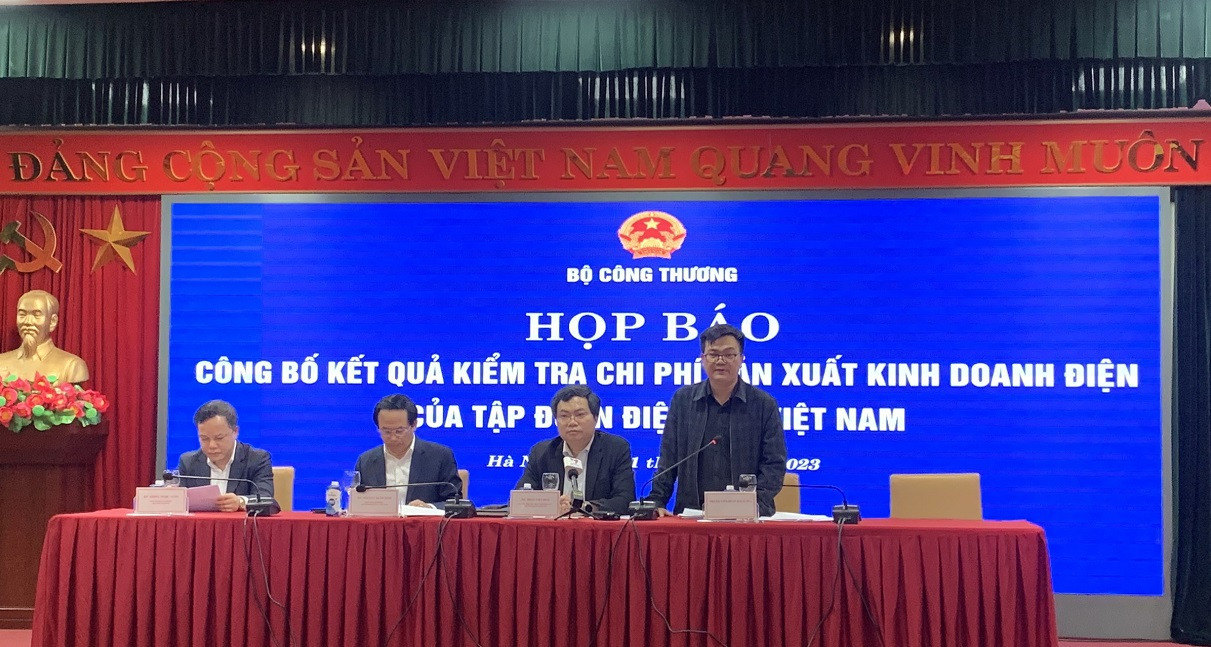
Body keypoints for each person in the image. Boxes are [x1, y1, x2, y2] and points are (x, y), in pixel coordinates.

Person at [649, 324, 786, 517]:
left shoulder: (763, 404)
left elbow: (774, 464)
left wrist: (752, 504)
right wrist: (657, 501)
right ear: (703, 359)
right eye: (713, 354)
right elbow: (668, 459)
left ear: (741, 359)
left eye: (729, 354)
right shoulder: (683, 401)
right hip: (692, 515)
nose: (720, 361)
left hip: (748, 518)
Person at [516, 385, 636, 516]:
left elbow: (625, 500)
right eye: (564, 416)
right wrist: (550, 506)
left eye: (580, 415)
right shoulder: (541, 452)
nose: (572, 422)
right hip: (554, 526)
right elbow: (519, 500)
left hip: (595, 527)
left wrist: (583, 507)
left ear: (596, 418)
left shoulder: (615, 449)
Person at [354, 394, 462, 507]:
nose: (393, 437)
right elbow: (357, 503)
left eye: (399, 431)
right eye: (386, 431)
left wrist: (429, 508)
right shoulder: (365, 462)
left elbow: (455, 503)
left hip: (424, 518)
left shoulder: (440, 456)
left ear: (414, 425)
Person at [177, 399, 277, 513]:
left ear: (235, 432)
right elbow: (177, 500)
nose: (212, 445)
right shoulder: (188, 462)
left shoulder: (257, 459)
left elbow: (267, 500)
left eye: (219, 438)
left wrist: (241, 502)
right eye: (204, 438)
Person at [0, 289, 89, 383]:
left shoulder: (71, 366)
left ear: (52, 322)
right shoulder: (2, 361)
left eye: (36, 315)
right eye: (22, 315)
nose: (28, 322)